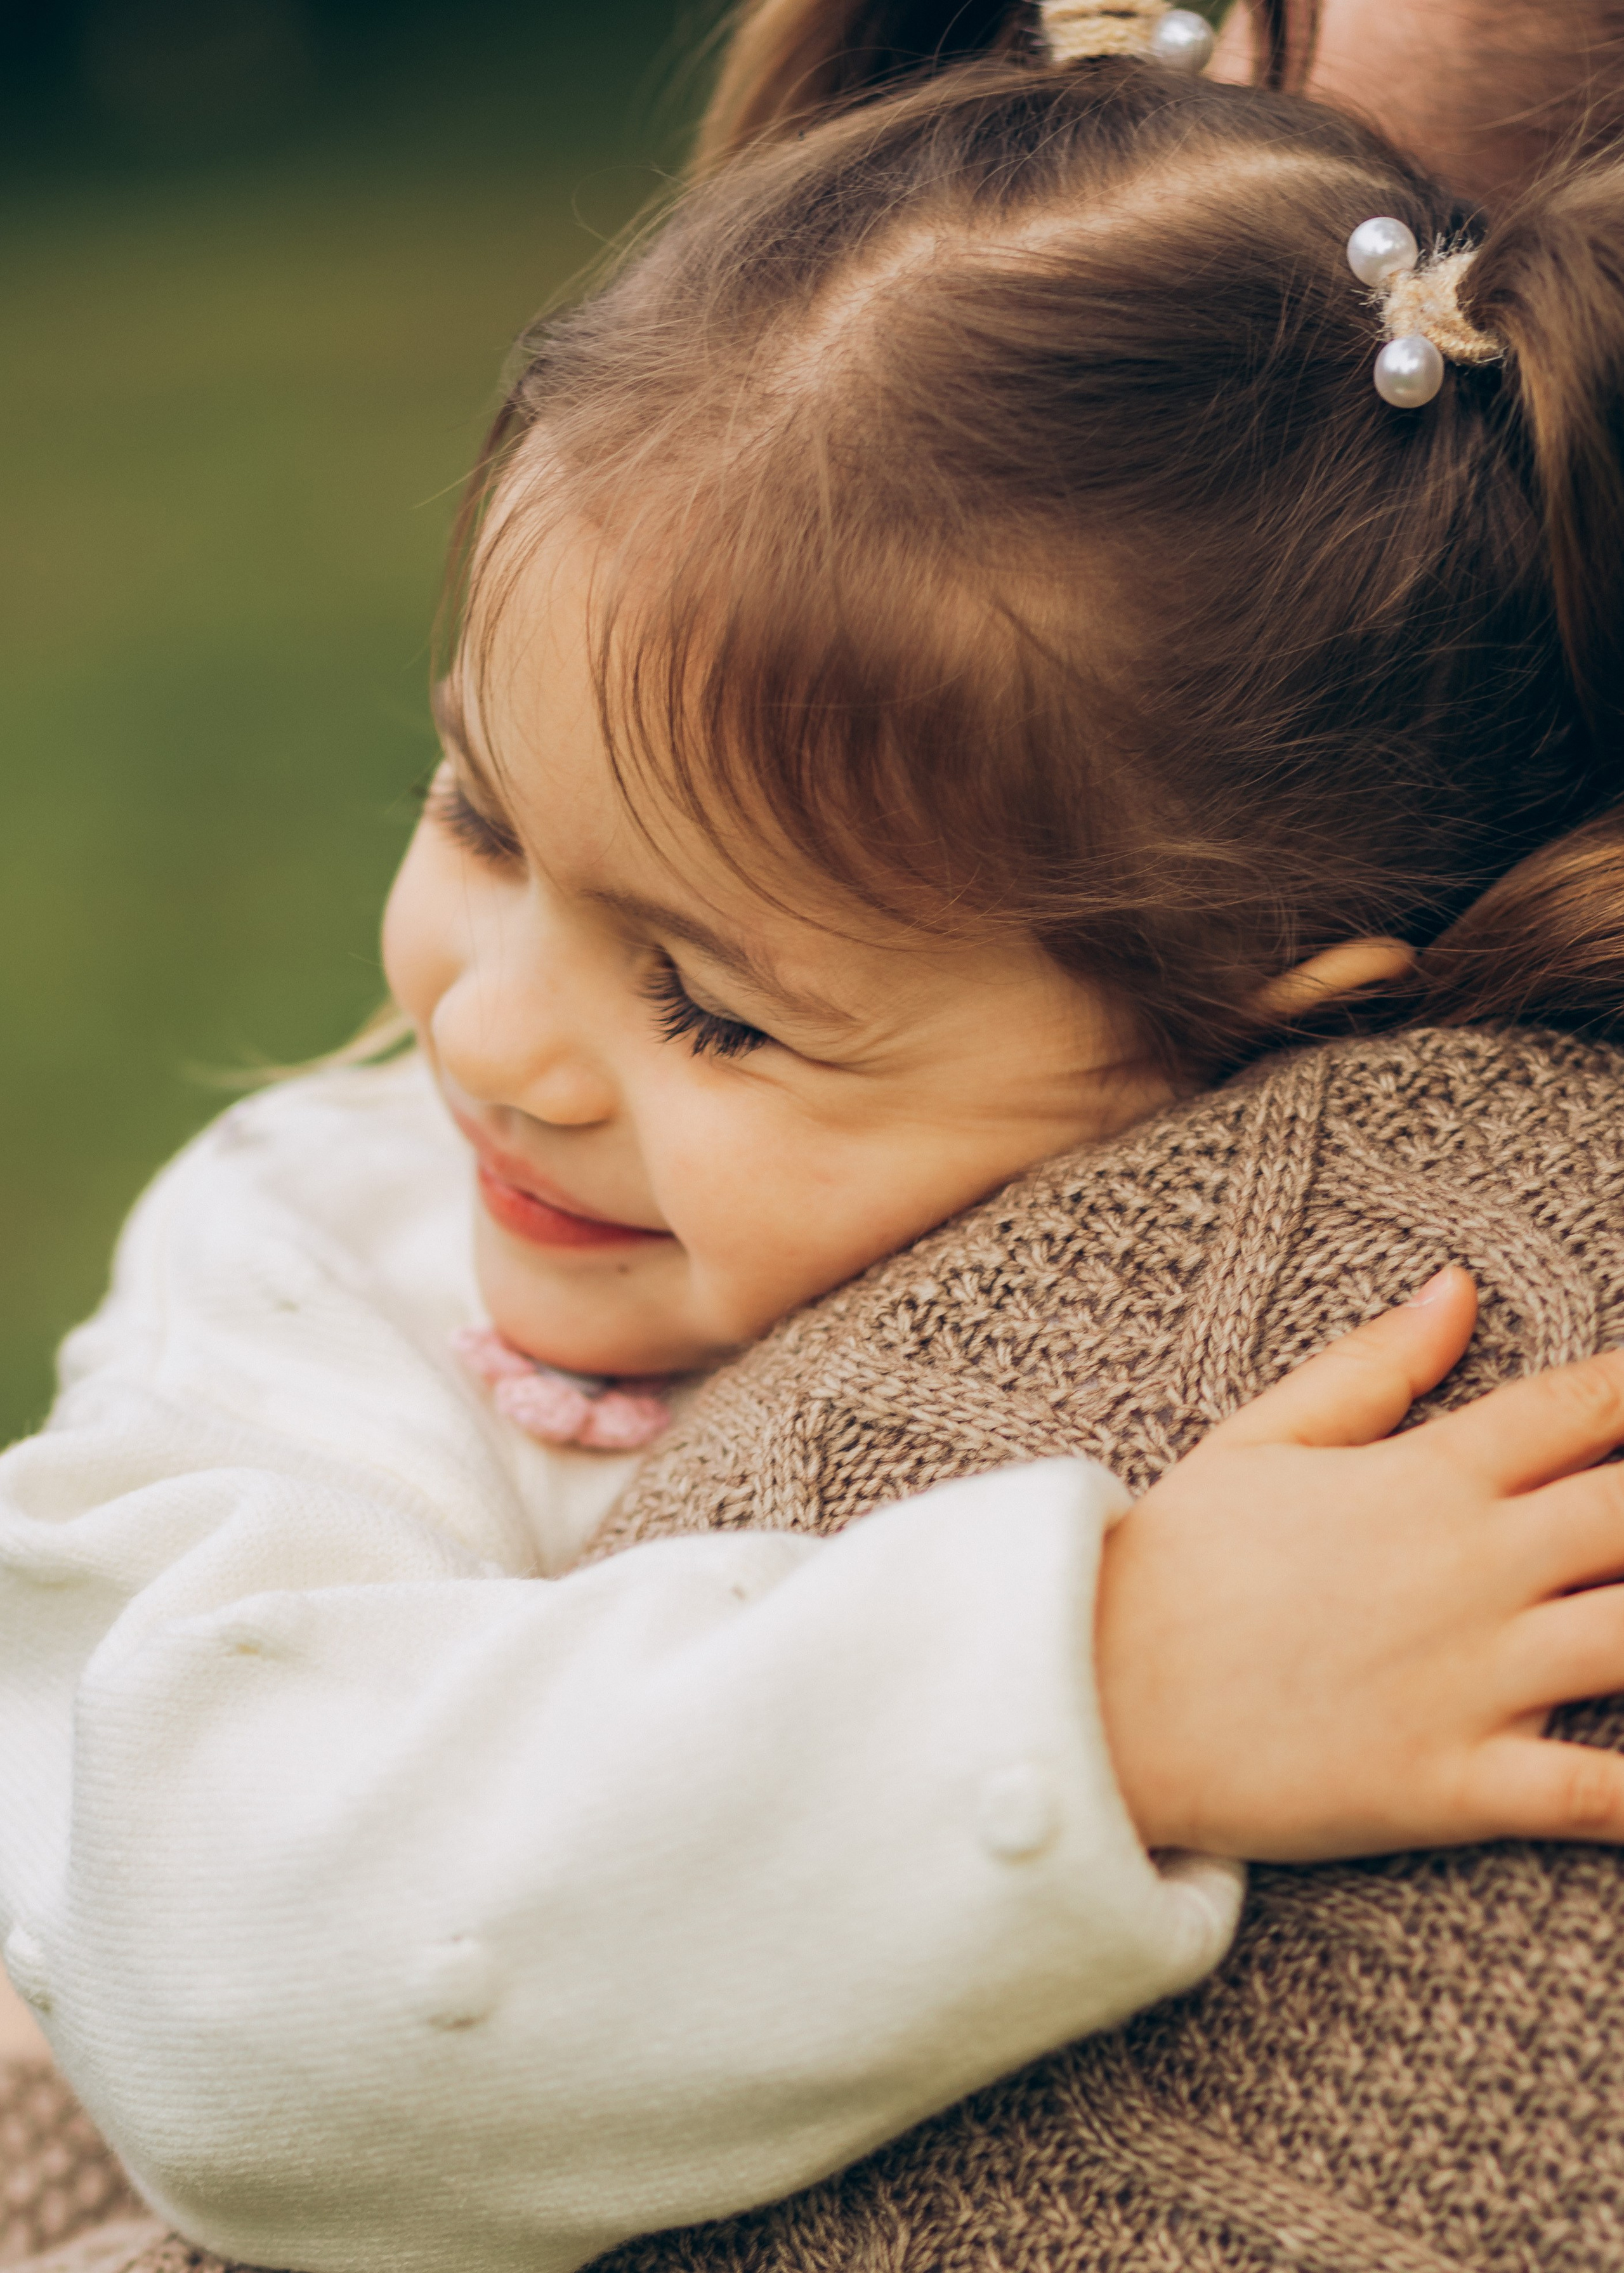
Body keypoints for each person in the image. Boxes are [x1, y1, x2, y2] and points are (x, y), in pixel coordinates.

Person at [6, 3, 1624, 2269]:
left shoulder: (1366, 1229)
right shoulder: (306, 1284)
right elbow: (212, 1987)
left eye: (711, 1008)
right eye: (475, 812)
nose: (496, 1039)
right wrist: (1105, 1686)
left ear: (1229, 1047)